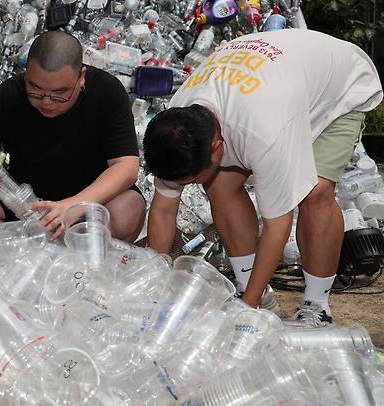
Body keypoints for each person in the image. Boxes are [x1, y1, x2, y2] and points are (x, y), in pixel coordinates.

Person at [143, 29, 383, 323]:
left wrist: (248, 309)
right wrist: (152, 286)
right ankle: (253, 287)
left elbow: (278, 224)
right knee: (218, 185)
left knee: (315, 193)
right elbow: (164, 210)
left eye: (191, 178)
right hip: (280, 83)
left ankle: (316, 305)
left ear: (217, 147)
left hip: (338, 86)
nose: (189, 186)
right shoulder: (177, 124)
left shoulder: (263, 131)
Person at [0, 31, 145, 241]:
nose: (47, 101)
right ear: (27, 73)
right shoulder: (7, 97)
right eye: (35, 89)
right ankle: (13, 255)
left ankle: (89, 262)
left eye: (60, 93)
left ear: (82, 78)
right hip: (25, 206)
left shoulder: (107, 92)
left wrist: (74, 206)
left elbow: (126, 167)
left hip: (91, 203)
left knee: (128, 210)